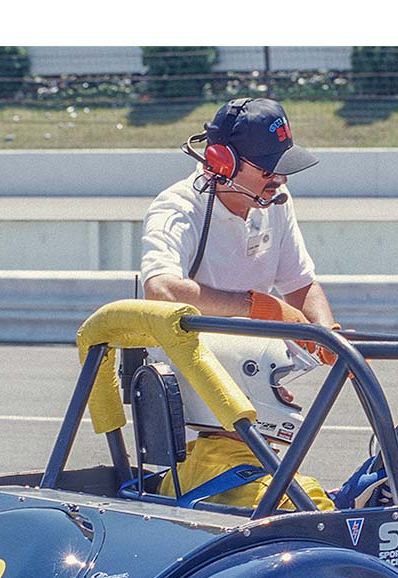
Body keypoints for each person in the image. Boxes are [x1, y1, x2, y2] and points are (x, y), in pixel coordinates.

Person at [141, 97, 338, 335]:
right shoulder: (176, 209)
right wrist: (255, 307)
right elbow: (162, 290)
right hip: (186, 363)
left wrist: (331, 338)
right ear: (223, 164)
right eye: (268, 170)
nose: (281, 179)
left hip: (255, 360)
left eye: (284, 167)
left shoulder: (275, 198)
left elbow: (300, 285)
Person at [154, 332, 335, 512]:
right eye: (277, 384)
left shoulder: (173, 476)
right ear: (241, 392)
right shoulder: (293, 495)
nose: (289, 395)